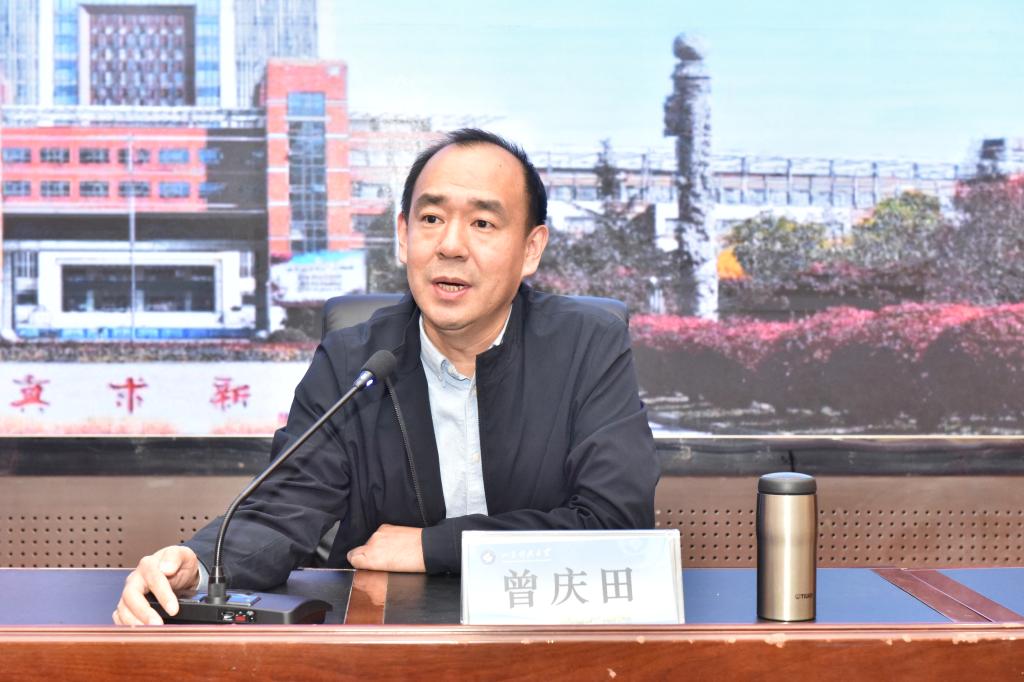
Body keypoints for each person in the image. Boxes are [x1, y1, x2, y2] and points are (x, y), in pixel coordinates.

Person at [113, 129, 659, 625]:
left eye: (483, 223)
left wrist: (433, 547)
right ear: (403, 235)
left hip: (550, 638)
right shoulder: (356, 360)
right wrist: (197, 565)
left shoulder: (587, 345)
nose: (450, 245)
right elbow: (282, 511)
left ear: (531, 249)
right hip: (386, 644)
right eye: (431, 218)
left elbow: (617, 523)